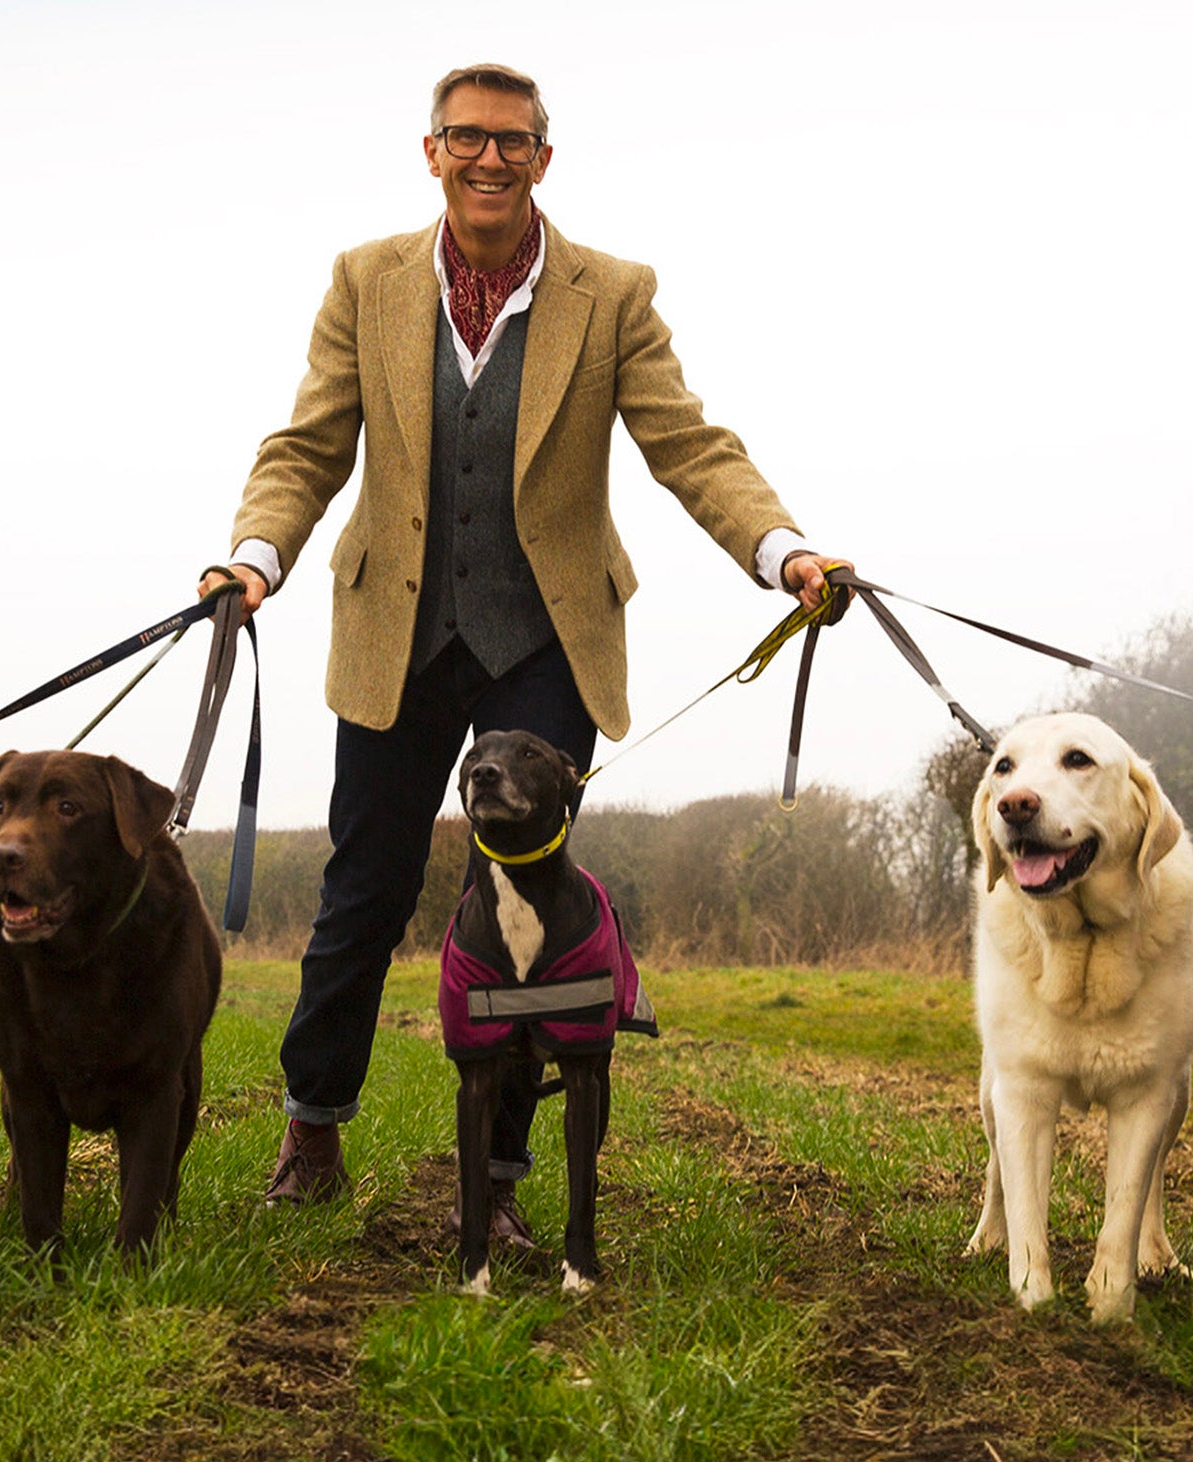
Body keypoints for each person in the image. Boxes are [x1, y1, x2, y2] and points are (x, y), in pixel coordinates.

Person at [196, 63, 843, 1238]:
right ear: (430, 151)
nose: (487, 159)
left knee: (523, 908)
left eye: (512, 143)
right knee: (366, 884)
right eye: (465, 139)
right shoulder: (365, 281)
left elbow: (688, 445)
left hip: (542, 639)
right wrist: (254, 555)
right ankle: (312, 1121)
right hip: (392, 629)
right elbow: (306, 444)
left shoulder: (612, 294)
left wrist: (783, 552)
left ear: (544, 160)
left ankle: (494, 1183)